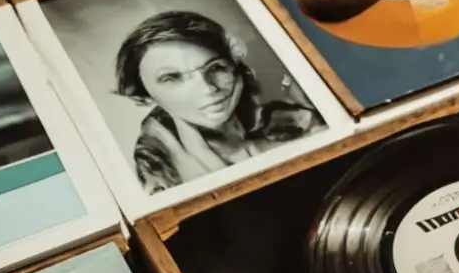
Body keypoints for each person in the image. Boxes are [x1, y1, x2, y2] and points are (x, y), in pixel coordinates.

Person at [113, 11, 323, 194]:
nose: (208, 89)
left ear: (234, 66)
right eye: (172, 78)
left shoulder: (291, 119)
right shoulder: (159, 162)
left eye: (215, 68)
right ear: (147, 96)